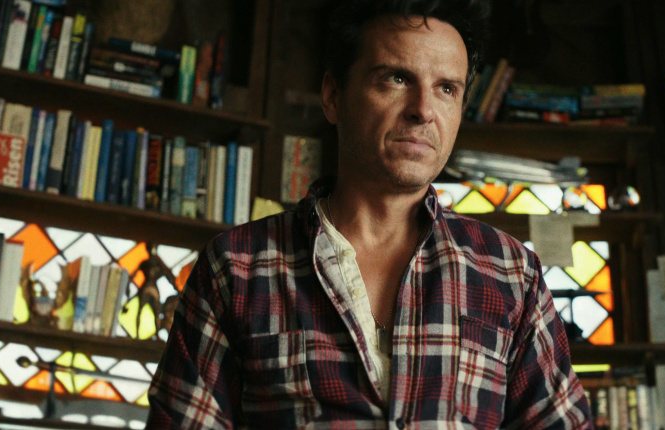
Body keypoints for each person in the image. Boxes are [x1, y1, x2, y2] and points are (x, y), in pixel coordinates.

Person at [146, 0, 592, 428]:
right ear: (333, 96)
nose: (423, 110)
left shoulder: (511, 274)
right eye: (396, 78)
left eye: (447, 88)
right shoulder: (237, 267)